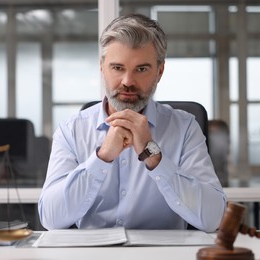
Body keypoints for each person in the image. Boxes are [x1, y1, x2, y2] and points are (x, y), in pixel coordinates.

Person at [38, 14, 226, 232]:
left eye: (141, 69)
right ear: (102, 67)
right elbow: (50, 218)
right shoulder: (72, 130)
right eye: (117, 68)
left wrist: (153, 154)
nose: (127, 82)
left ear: (160, 71)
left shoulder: (184, 128)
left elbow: (213, 218)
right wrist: (102, 157)